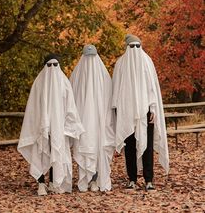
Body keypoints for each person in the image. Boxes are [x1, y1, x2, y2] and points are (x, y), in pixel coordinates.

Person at [17, 53, 84, 196]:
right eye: (49, 65)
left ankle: (54, 182)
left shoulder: (64, 82)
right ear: (45, 66)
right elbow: (33, 106)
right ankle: (41, 183)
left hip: (59, 127)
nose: (52, 68)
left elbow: (70, 106)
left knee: (56, 152)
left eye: (55, 65)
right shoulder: (39, 82)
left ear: (58, 66)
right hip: (41, 126)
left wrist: (69, 126)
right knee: (41, 152)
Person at [112, 34, 169, 191]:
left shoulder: (147, 61)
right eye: (132, 47)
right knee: (130, 146)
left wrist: (153, 109)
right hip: (126, 113)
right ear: (127, 47)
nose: (135, 50)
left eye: (137, 46)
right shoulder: (121, 63)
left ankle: (149, 179)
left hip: (145, 113)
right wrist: (117, 110)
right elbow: (116, 87)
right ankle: (131, 178)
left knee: (147, 146)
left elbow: (152, 88)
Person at [70, 44, 115, 192]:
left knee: (98, 147)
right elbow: (71, 99)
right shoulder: (76, 75)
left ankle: (95, 179)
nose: (89, 60)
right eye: (87, 57)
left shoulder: (103, 76)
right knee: (85, 146)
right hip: (82, 121)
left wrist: (107, 119)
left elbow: (109, 98)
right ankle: (85, 178)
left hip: (100, 120)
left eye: (92, 57)